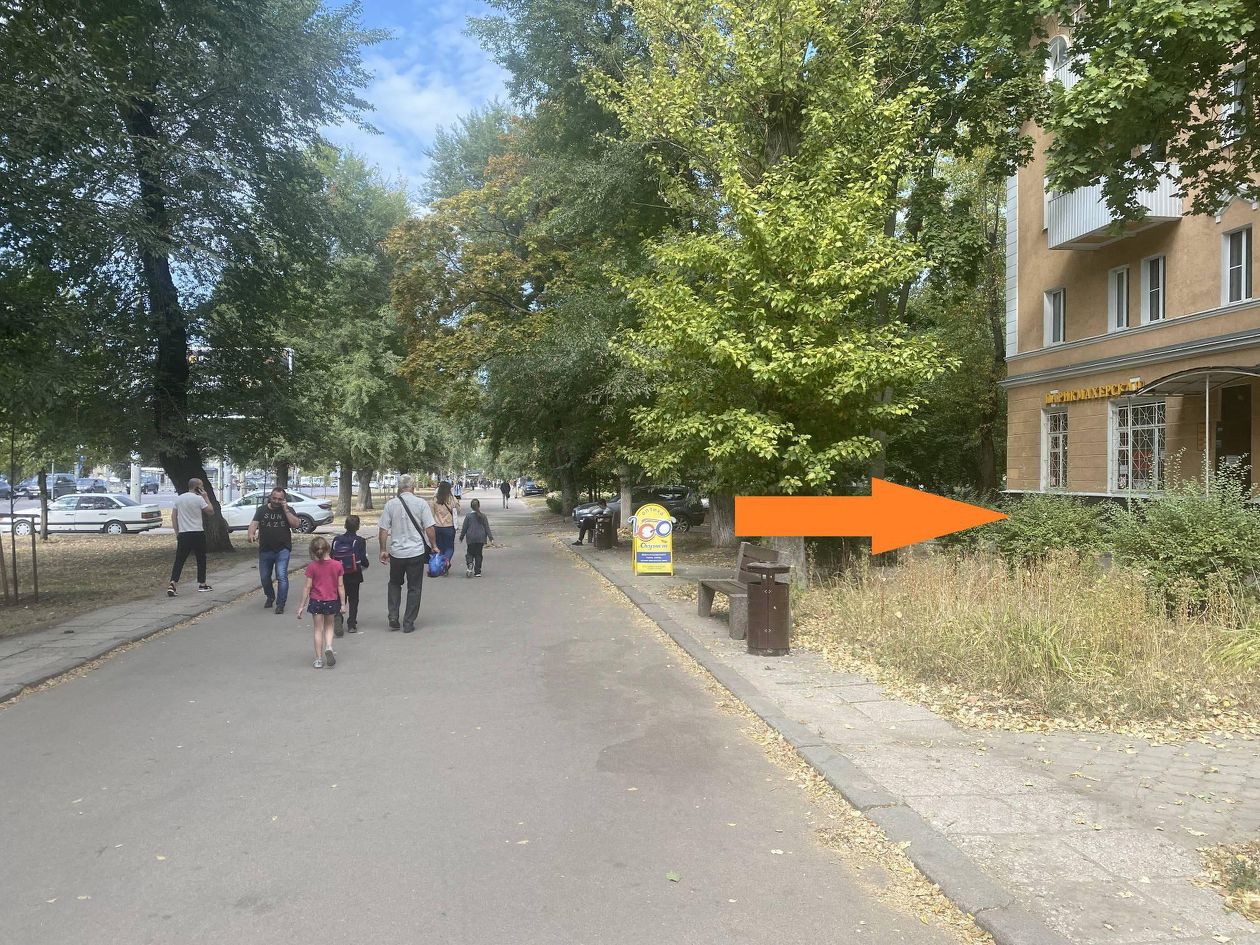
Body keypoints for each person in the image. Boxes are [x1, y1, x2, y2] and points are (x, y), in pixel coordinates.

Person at [377, 474, 438, 633]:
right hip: (416, 552)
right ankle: (408, 622)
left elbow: (383, 530)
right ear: (413, 487)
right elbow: (429, 528)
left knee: (394, 583)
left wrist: (383, 549)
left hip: (397, 553)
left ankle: (393, 615)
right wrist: (434, 546)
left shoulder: (390, 505)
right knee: (414, 587)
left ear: (399, 487)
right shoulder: (421, 504)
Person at [247, 487, 300, 614]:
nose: (276, 501)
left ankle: (280, 604)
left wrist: (286, 510)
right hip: (266, 549)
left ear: (284, 499)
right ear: (270, 497)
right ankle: (270, 596)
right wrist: (251, 533)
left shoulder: (288, 510)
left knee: (281, 576)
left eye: (280, 499)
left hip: (283, 548)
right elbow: (254, 523)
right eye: (274, 498)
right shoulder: (262, 510)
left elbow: (296, 524)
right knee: (265, 578)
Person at [296, 536, 345, 669]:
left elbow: (307, 587)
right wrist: (342, 604)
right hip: (331, 600)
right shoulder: (337, 565)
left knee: (318, 629)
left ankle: (318, 659)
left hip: (316, 600)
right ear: (328, 548)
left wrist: (301, 606)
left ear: (313, 551)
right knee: (329, 626)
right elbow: (340, 586)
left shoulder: (312, 567)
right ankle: (329, 646)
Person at [168, 478, 214, 596]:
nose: (203, 488)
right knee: (201, 559)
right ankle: (202, 584)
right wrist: (206, 497)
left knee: (179, 559)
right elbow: (210, 511)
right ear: (197, 487)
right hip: (197, 532)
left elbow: (174, 516)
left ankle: (173, 583)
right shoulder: (199, 499)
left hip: (184, 533)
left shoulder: (179, 499)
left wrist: (177, 532)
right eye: (201, 486)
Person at [330, 515, 369, 635]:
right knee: (353, 599)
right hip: (354, 573)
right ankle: (352, 624)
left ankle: (338, 616)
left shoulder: (337, 540)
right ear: (358, 526)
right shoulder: (360, 541)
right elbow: (362, 559)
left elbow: (331, 556)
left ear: (345, 525)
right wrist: (365, 565)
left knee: (339, 597)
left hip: (339, 574)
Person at [458, 498, 494, 578]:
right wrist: (491, 538)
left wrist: (461, 537)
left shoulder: (468, 516)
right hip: (481, 537)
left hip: (471, 537)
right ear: (479, 506)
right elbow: (487, 527)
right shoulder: (483, 516)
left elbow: (464, 528)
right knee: (478, 554)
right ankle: (477, 572)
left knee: (470, 553)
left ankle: (470, 563)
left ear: (471, 506)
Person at [429, 481, 459, 572]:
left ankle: (441, 565)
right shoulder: (452, 499)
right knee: (449, 547)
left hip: (437, 527)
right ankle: (446, 561)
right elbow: (458, 510)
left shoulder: (434, 500)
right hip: (449, 527)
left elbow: (431, 514)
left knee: (440, 547)